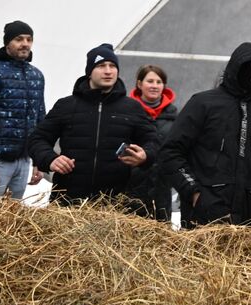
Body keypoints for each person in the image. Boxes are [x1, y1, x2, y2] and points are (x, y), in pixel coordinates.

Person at [161, 42, 251, 227]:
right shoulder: (203, 103)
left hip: (244, 223)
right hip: (201, 221)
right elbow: (170, 152)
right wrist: (194, 192)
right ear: (238, 65)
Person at [27, 44, 157, 206]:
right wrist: (50, 159)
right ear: (89, 72)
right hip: (68, 202)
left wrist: (145, 155)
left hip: (114, 203)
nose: (108, 71)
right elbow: (37, 139)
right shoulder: (66, 105)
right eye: (101, 66)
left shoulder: (132, 108)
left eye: (112, 66)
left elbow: (154, 141)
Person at [0, 20, 45, 199]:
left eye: (29, 39)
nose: (25, 44)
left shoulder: (36, 75)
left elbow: (40, 120)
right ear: (7, 43)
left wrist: (40, 160)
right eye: (19, 39)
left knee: (12, 221)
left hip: (24, 160)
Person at [126, 64, 178, 221]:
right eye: (150, 81)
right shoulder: (126, 111)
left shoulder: (174, 115)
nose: (155, 86)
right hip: (131, 185)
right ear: (139, 84)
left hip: (162, 186)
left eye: (159, 82)